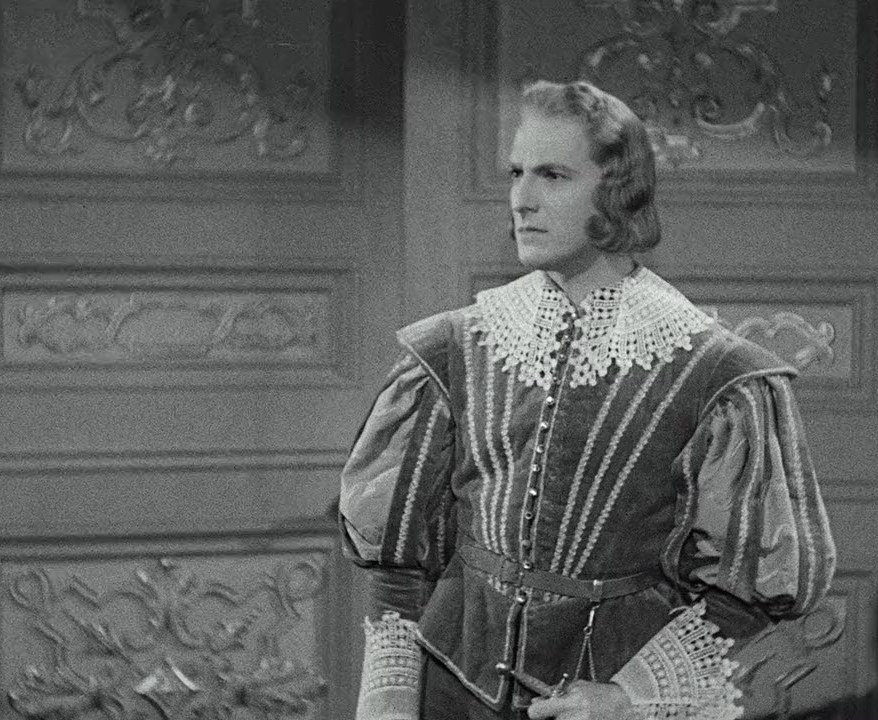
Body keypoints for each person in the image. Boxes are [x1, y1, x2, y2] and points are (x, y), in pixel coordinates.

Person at [338, 80, 836, 720]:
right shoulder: (452, 349)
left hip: (607, 696)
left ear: (617, 190)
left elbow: (750, 586)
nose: (522, 199)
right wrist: (387, 701)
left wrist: (630, 697)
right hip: (450, 688)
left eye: (552, 175)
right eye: (517, 172)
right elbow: (397, 563)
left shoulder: (717, 374)